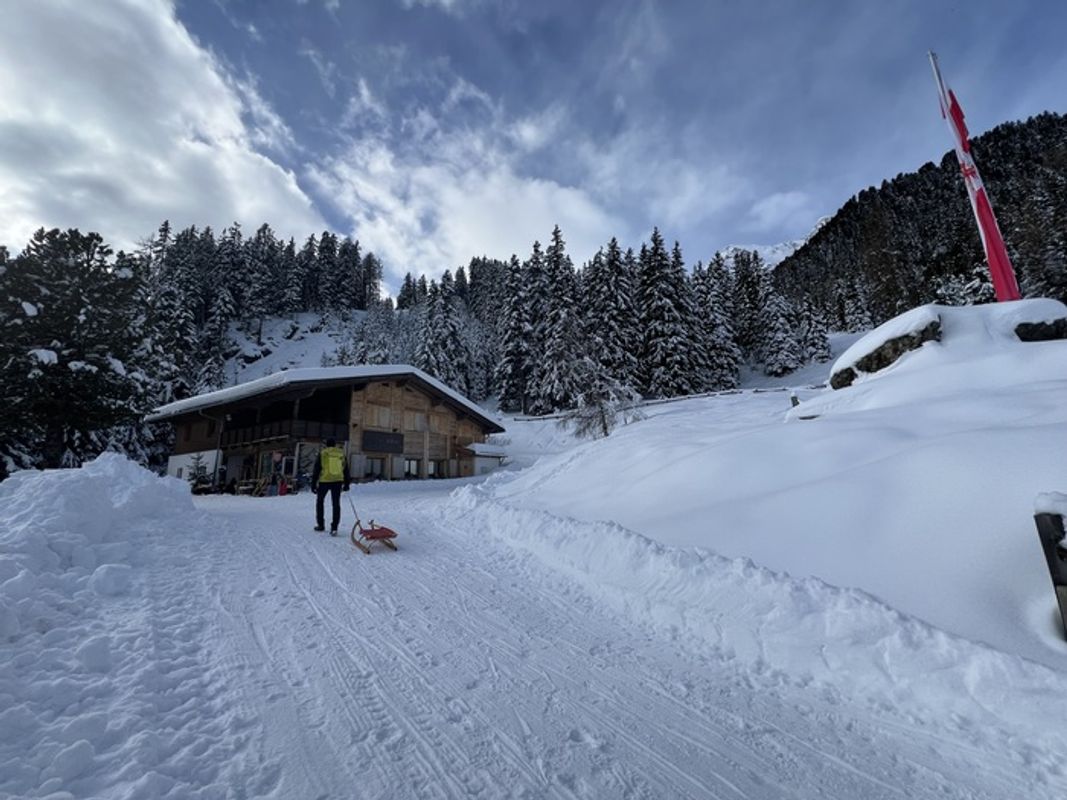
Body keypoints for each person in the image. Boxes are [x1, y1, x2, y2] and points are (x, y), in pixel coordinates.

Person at [312, 438, 351, 535]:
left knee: (320, 502)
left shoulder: (323, 453)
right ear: (335, 445)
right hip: (338, 481)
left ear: (326, 445)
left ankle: (321, 525)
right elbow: (346, 469)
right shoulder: (341, 453)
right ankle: (334, 528)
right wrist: (347, 483)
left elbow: (317, 469)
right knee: (336, 504)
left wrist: (313, 484)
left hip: (324, 481)